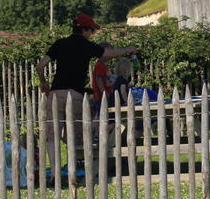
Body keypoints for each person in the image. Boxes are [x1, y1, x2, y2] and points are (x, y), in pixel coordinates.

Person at [35, 14, 137, 175]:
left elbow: (41, 66)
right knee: (74, 134)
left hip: (55, 93)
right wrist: (128, 50)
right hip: (75, 94)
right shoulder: (87, 45)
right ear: (84, 29)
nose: (92, 34)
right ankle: (73, 167)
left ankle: (55, 171)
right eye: (91, 30)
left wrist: (43, 82)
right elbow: (109, 54)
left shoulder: (59, 44)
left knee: (52, 134)